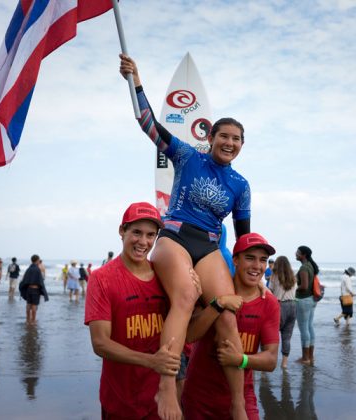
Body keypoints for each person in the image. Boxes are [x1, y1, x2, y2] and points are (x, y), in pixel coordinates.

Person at [120, 54, 251, 420]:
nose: (229, 142)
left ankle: (238, 404)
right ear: (210, 138)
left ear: (241, 145)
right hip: (174, 236)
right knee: (186, 294)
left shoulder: (241, 185)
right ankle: (167, 384)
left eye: (236, 139)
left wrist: (257, 282)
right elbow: (146, 123)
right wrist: (136, 82)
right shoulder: (187, 156)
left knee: (226, 315)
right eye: (223, 136)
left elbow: (243, 240)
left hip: (209, 246)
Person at [85, 202, 182, 419]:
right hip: (119, 399)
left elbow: (184, 325)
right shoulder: (101, 279)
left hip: (159, 400)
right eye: (136, 232)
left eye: (150, 235)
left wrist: (213, 302)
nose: (143, 242)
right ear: (122, 231)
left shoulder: (164, 275)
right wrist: (151, 361)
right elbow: (100, 343)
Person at [182, 233, 279, 419]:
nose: (257, 266)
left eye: (263, 260)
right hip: (199, 397)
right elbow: (190, 336)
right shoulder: (212, 289)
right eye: (250, 258)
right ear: (235, 260)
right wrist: (218, 304)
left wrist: (240, 359)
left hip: (242, 398)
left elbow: (270, 360)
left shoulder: (269, 303)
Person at [268, 256, 297, 369]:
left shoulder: (274, 276)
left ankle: (270, 360)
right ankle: (284, 364)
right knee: (287, 337)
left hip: (279, 306)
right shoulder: (293, 277)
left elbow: (270, 292)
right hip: (293, 306)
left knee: (271, 334)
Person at [294, 246, 319, 366]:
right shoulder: (311, 265)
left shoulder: (304, 268)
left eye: (298, 253)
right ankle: (310, 356)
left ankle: (305, 358)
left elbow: (303, 286)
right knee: (309, 327)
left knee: (304, 329)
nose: (296, 254)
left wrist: (293, 288)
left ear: (303, 255)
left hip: (303, 300)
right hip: (311, 299)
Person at [19, 254, 49, 325]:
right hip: (35, 290)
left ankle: (27, 320)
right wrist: (43, 291)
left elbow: (24, 279)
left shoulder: (28, 269)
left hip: (29, 289)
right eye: (39, 260)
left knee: (28, 304)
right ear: (37, 260)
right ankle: (33, 320)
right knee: (34, 306)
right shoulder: (37, 269)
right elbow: (40, 281)